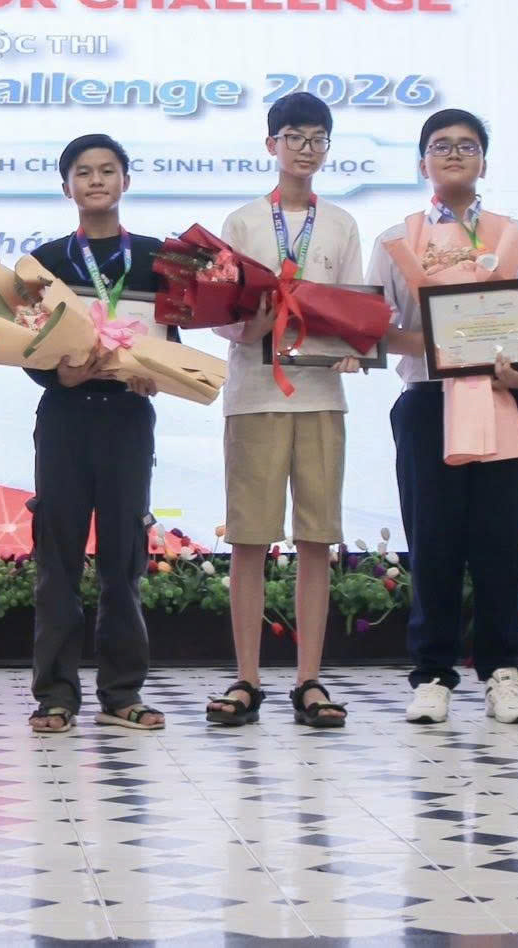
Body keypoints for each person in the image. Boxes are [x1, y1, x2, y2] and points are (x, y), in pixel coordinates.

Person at [367, 108, 518, 726]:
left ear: (484, 159)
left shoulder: (517, 235)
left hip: (504, 400)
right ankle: (432, 674)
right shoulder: (397, 239)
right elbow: (376, 332)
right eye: (440, 146)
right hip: (429, 404)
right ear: (421, 161)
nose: (454, 154)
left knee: (499, 543)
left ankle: (503, 672)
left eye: (466, 145)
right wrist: (439, 344)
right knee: (433, 544)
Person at [204, 92, 364, 732]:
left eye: (317, 138)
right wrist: (250, 325)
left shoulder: (341, 224)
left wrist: (354, 346)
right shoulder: (243, 222)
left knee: (317, 538)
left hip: (322, 394)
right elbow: (221, 313)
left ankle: (309, 679)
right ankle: (246, 677)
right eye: (294, 136)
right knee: (249, 538)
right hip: (253, 395)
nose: (305, 148)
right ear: (271, 144)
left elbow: (354, 310)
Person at [24, 134, 169, 735]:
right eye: (83, 173)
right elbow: (29, 344)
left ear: (125, 181)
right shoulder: (45, 263)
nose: (96, 181)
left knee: (123, 557)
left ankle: (122, 691)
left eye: (108, 171)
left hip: (127, 418)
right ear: (67, 187)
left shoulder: (157, 258)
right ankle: (56, 695)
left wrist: (158, 374)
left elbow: (170, 342)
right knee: (57, 558)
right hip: (65, 417)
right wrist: (56, 373)